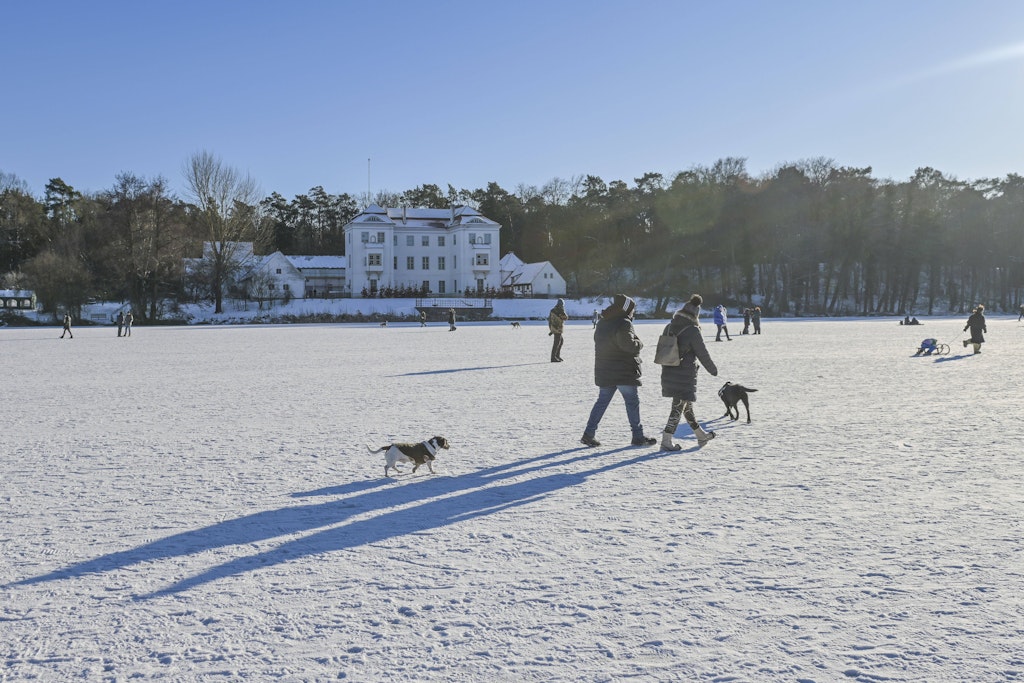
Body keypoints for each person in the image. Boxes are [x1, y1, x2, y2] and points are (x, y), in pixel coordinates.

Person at [580, 294, 657, 447]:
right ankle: (638, 436)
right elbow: (628, 345)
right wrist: (639, 343)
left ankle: (588, 434)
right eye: (632, 309)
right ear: (627, 309)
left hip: (605, 370)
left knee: (602, 402)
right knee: (632, 402)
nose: (633, 312)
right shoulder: (624, 323)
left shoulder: (603, 322)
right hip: (623, 371)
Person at [660, 294, 718, 450]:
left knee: (686, 406)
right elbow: (702, 353)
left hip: (668, 371)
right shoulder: (692, 330)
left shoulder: (669, 326)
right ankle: (666, 440)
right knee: (678, 407)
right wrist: (713, 370)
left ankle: (700, 435)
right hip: (684, 374)